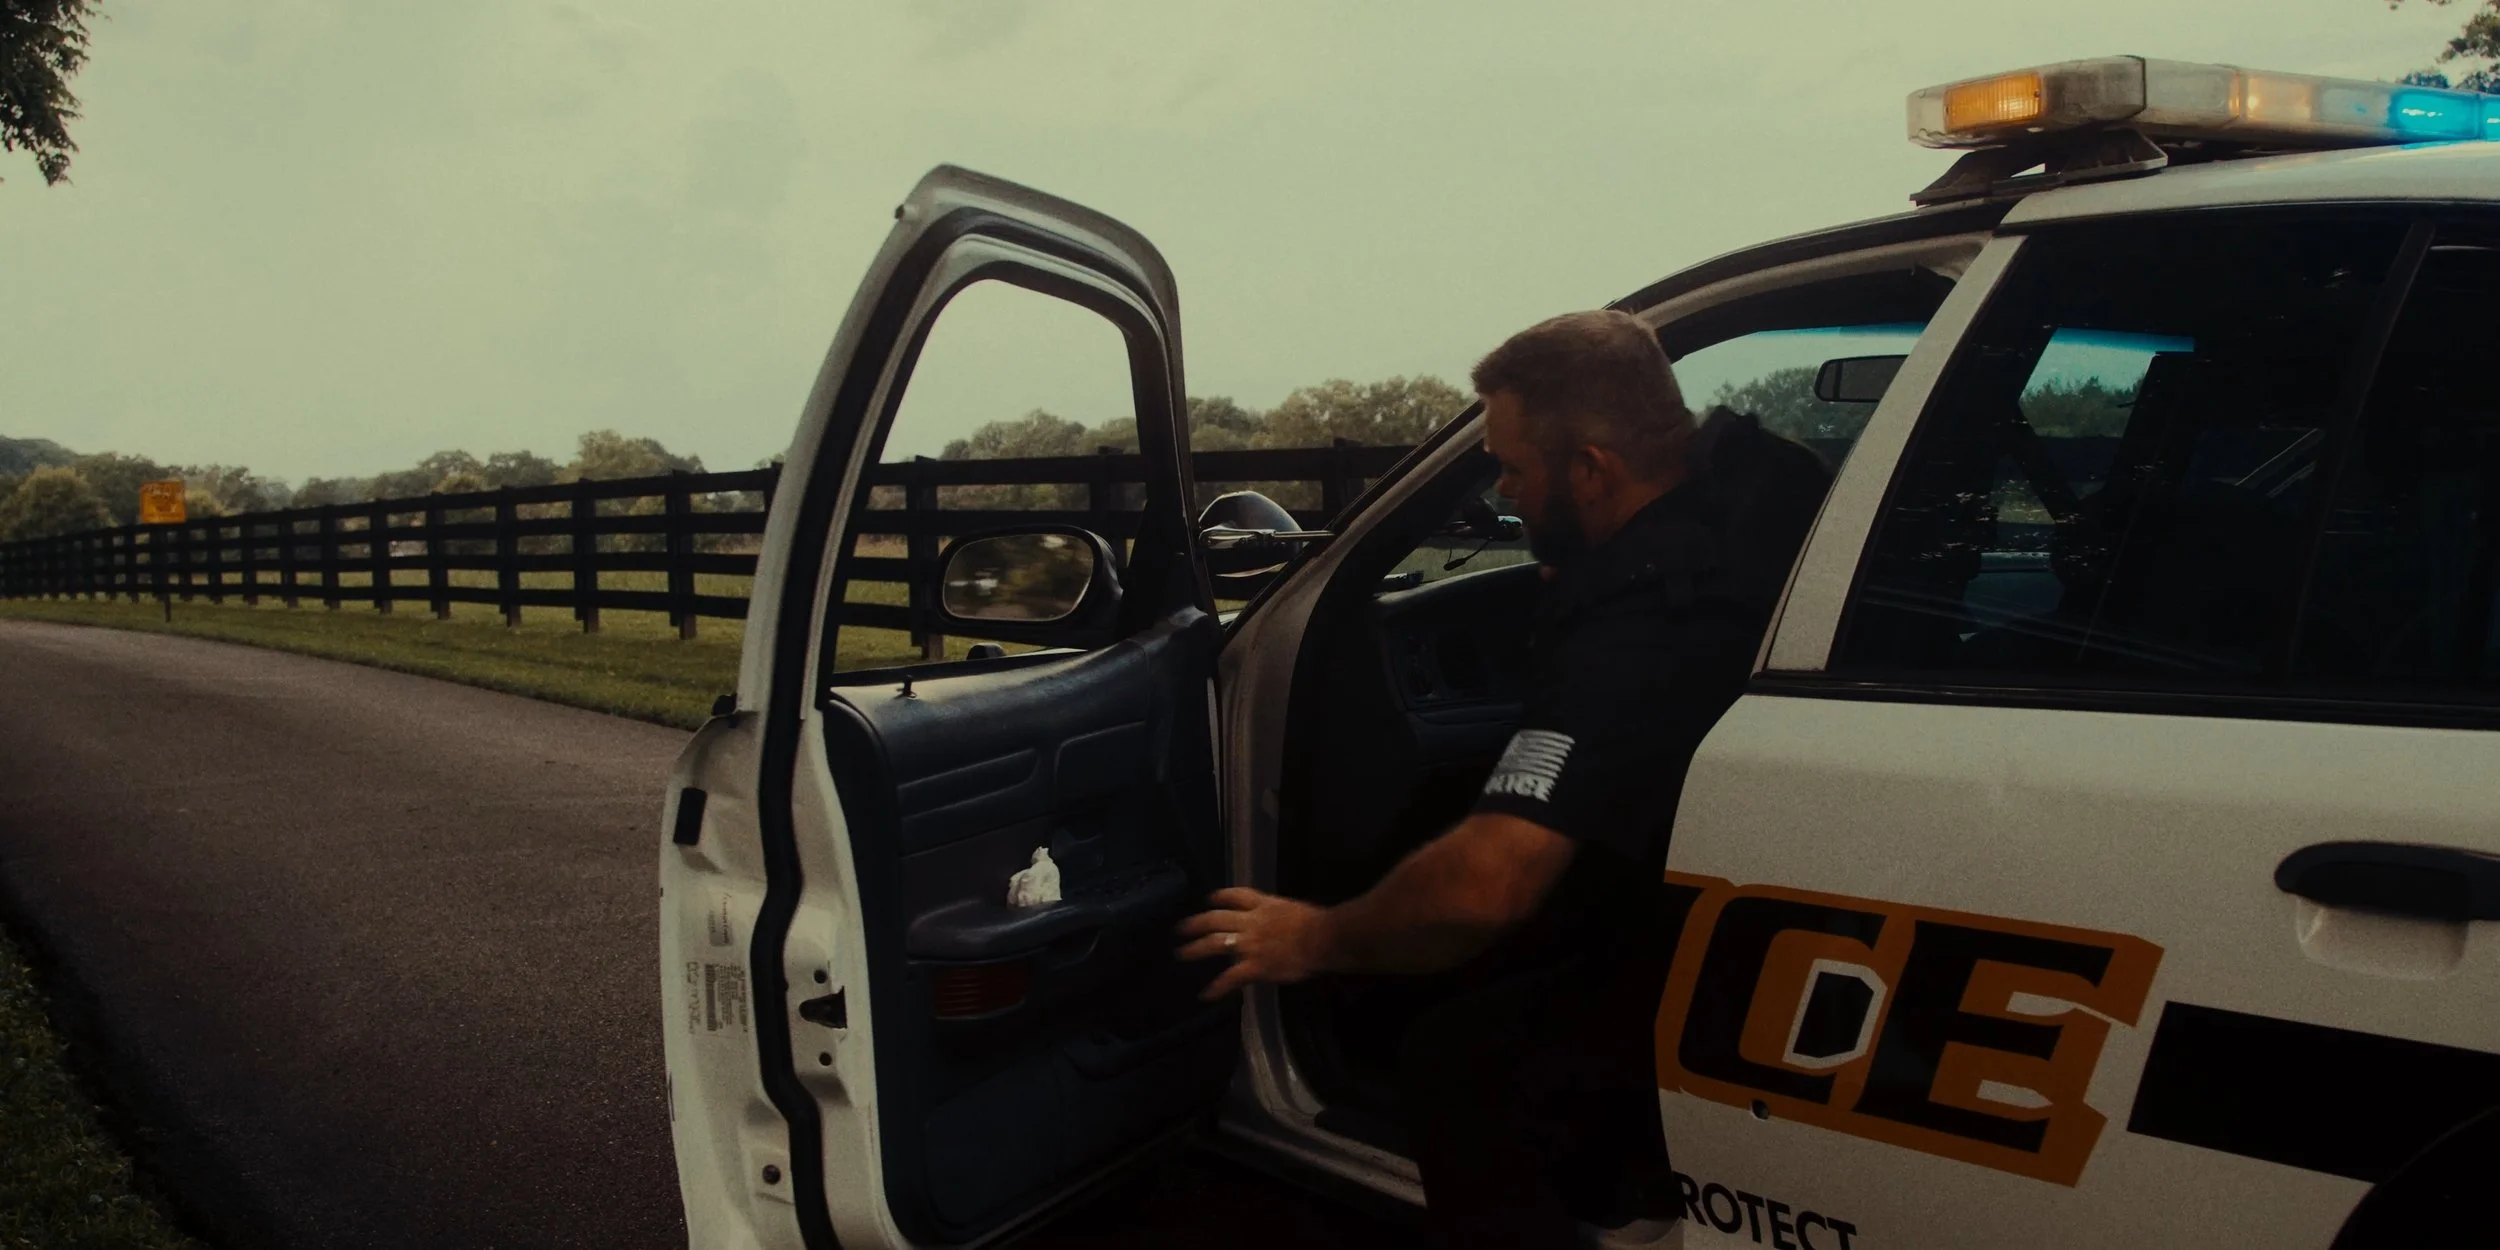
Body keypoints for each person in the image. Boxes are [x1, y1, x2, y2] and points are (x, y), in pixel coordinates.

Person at [1176, 308, 1828, 1250]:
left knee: (1459, 1059)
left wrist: (1317, 935)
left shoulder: (1644, 618)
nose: (1507, 494)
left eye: (1514, 468)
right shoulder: (1769, 492)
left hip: (1723, 954)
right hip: (1744, 872)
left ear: (1595, 470)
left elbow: (1488, 884)